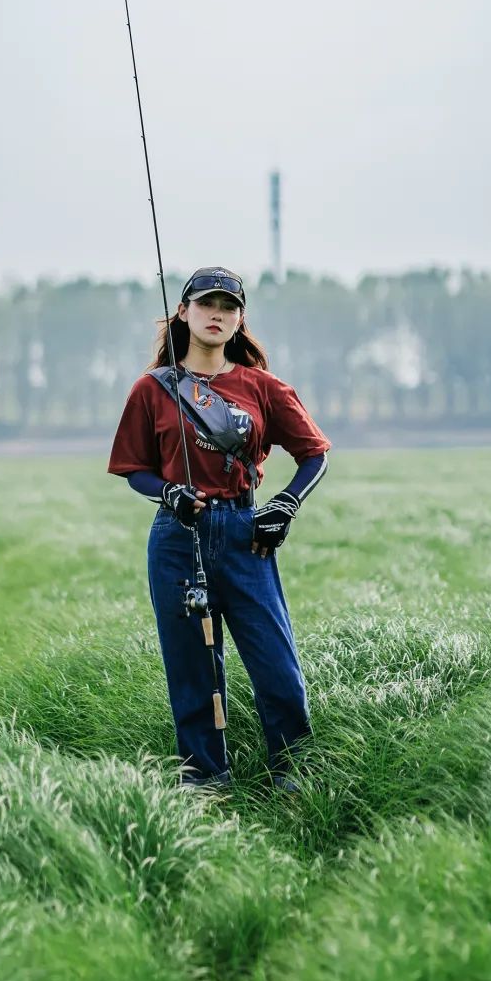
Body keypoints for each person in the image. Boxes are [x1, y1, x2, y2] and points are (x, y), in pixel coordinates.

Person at [108, 266, 330, 791]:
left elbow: (315, 454)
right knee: (193, 671)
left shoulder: (263, 387)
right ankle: (205, 781)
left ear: (239, 319)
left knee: (277, 667)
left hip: (246, 536)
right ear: (183, 311)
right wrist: (169, 493)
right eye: (207, 303)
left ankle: (294, 774)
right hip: (176, 538)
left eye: (228, 307)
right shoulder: (152, 390)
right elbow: (135, 468)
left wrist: (285, 506)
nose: (217, 314)